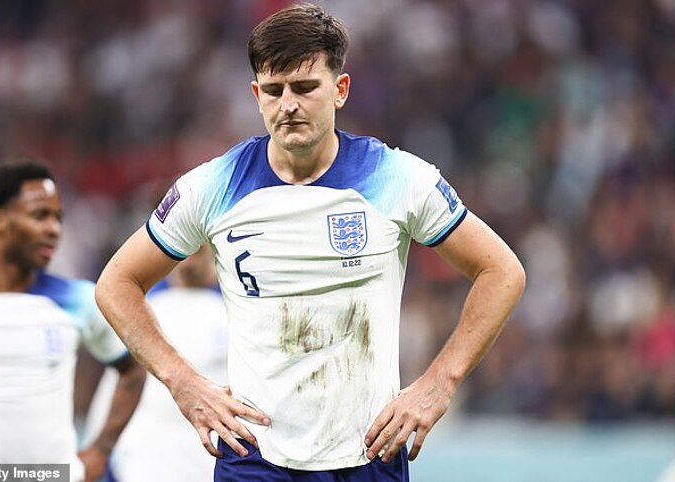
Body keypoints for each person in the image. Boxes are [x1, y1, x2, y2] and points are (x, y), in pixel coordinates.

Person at [95, 3, 526, 481]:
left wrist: (439, 384)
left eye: (304, 88)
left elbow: (501, 271)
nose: (288, 105)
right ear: (256, 95)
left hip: (369, 452)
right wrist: (182, 382)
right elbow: (116, 283)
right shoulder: (213, 187)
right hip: (254, 456)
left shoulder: (397, 178)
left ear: (340, 89)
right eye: (274, 91)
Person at [0, 158, 145, 482]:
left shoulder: (80, 300)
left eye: (58, 218)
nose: (54, 229)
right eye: (39, 215)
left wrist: (100, 450)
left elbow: (133, 369)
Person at [85, 243, 227, 482]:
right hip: (145, 459)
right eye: (183, 249)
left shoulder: (237, 311)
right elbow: (117, 383)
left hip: (211, 457)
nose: (188, 260)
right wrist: (100, 451)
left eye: (197, 251)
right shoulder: (140, 308)